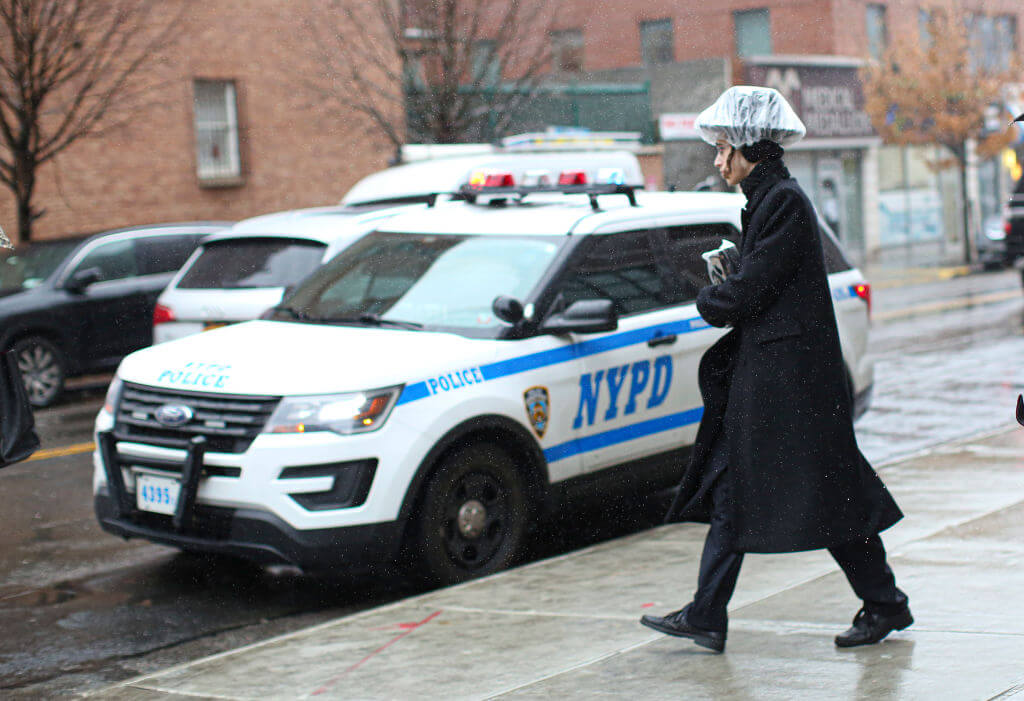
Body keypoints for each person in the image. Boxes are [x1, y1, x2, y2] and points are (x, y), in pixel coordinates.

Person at [640, 86, 911, 653]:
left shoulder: (782, 200)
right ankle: (712, 613)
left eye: (722, 149)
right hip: (782, 380)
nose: (717, 161)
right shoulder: (769, 199)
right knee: (759, 489)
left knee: (818, 494)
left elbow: (752, 290)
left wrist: (712, 297)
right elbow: (766, 280)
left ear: (750, 147)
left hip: (791, 384)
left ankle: (878, 604)